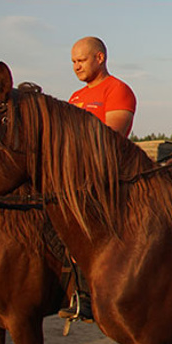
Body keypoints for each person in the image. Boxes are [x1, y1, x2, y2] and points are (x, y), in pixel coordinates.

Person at [59, 36, 137, 322]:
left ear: (100, 58)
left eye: (81, 60)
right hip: (72, 173)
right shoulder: (75, 98)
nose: (76, 67)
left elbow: (111, 137)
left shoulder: (117, 90)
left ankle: (88, 293)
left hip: (105, 174)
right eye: (73, 62)